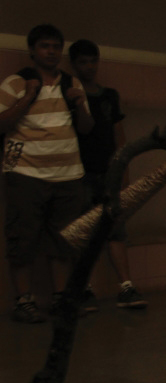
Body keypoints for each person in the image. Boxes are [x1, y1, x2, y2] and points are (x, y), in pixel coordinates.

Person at [0, 24, 94, 323]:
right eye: (44, 46)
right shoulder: (15, 83)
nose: (51, 51)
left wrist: (80, 105)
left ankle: (60, 299)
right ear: (32, 50)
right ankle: (23, 301)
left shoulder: (72, 84)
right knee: (23, 238)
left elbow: (87, 129)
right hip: (25, 173)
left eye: (56, 46)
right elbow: (1, 124)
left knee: (64, 241)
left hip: (68, 176)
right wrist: (27, 97)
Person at [69, 40, 148, 309]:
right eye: (83, 62)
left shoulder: (108, 96)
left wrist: (122, 170)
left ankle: (126, 286)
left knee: (115, 230)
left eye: (93, 61)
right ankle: (85, 289)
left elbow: (119, 135)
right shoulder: (69, 95)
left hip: (107, 173)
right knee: (84, 232)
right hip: (79, 173)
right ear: (74, 65)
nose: (89, 67)